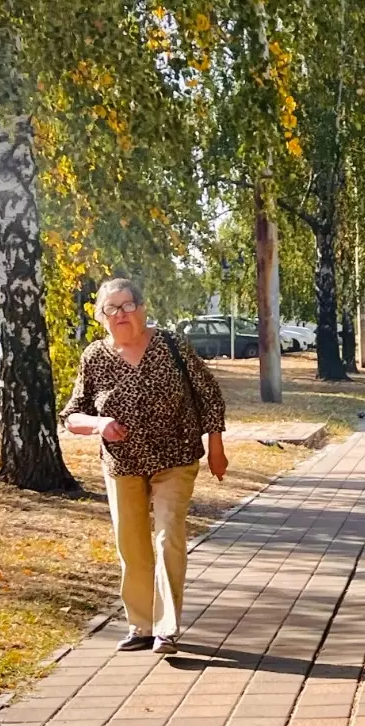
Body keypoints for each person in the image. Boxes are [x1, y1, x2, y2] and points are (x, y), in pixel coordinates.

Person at [63, 278, 228, 656]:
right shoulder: (94, 357)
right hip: (122, 463)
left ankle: (167, 627)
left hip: (176, 457)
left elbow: (209, 394)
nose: (120, 314)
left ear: (142, 308)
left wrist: (215, 446)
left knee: (168, 535)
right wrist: (99, 424)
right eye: (111, 309)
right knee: (132, 546)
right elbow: (71, 416)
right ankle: (142, 625)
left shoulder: (170, 345)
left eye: (127, 305)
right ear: (101, 317)